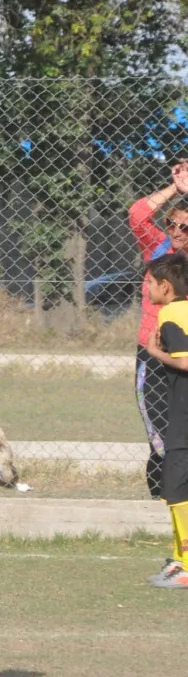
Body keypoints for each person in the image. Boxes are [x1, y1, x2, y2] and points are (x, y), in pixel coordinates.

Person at [129, 160, 188, 503]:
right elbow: (138, 215)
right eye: (172, 223)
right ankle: (163, 500)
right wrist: (175, 191)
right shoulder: (159, 249)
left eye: (184, 226)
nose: (177, 231)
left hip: (185, 352)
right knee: (161, 432)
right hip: (152, 355)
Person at [140, 254, 188, 589]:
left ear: (165, 286)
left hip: (185, 415)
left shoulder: (172, 313)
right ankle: (179, 561)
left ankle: (185, 566)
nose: (147, 288)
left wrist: (154, 352)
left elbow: (185, 362)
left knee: (177, 486)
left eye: (150, 282)